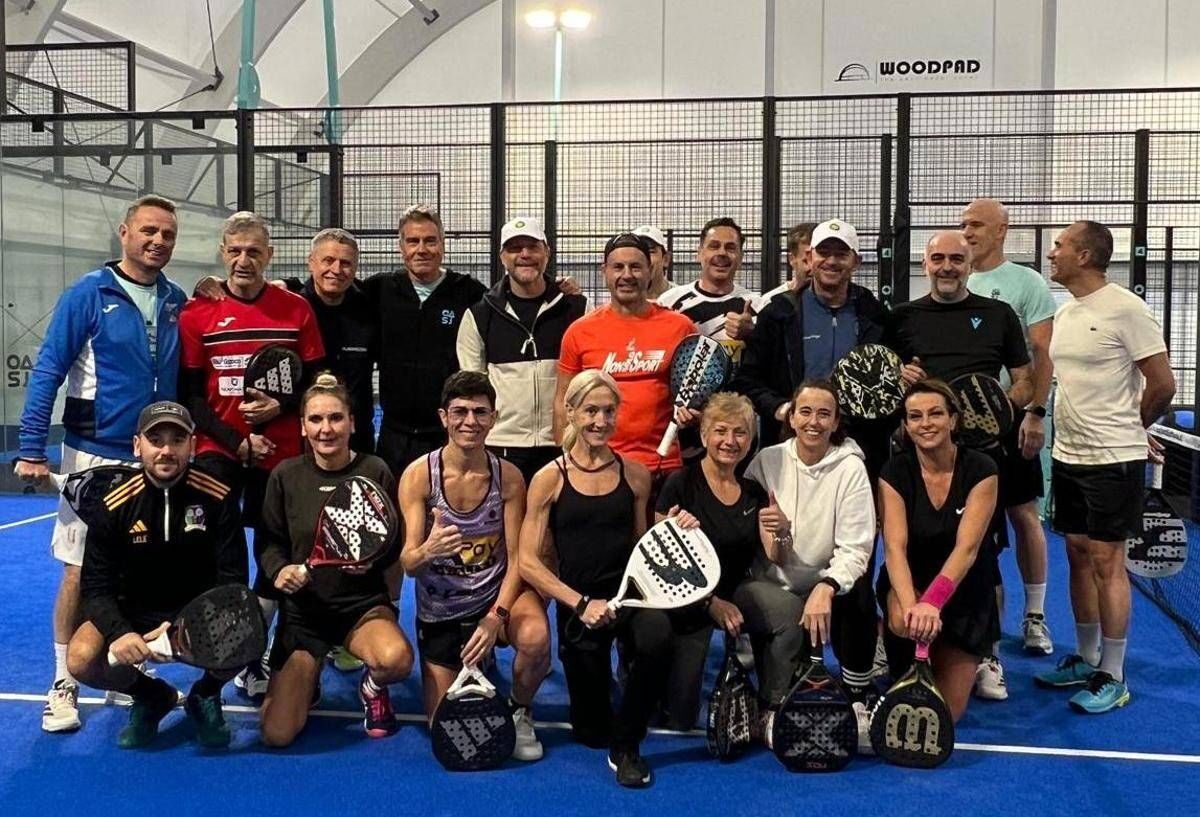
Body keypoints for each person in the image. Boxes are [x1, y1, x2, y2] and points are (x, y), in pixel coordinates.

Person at [15, 194, 187, 734]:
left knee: (141, 565)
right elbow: (49, 368)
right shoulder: (88, 293)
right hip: (93, 452)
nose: (158, 241)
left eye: (167, 234)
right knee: (77, 568)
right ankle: (62, 682)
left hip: (153, 456)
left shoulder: (177, 299)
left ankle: (123, 665)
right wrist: (31, 447)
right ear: (124, 233)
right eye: (148, 231)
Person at [178, 210, 326, 698]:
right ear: (223, 253)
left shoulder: (295, 309)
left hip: (281, 454)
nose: (244, 260)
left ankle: (253, 650)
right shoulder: (196, 314)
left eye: (254, 252)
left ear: (269, 255)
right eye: (236, 251)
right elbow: (192, 396)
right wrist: (236, 440)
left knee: (273, 551)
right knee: (220, 554)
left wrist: (281, 405)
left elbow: (315, 380)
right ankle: (223, 648)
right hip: (217, 451)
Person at [886, 229, 1034, 701]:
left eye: (956, 259)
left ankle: (988, 652)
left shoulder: (998, 314)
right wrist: (899, 376)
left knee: (985, 557)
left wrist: (998, 410)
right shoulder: (902, 318)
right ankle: (897, 634)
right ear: (924, 265)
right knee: (909, 548)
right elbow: (885, 382)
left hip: (979, 459)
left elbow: (1025, 381)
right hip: (916, 456)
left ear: (970, 265)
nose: (947, 267)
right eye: (938, 259)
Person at [1036, 221, 1175, 713]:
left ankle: (1113, 675)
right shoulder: (1067, 310)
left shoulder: (1127, 309)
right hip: (1068, 455)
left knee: (1106, 561)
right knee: (1076, 553)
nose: (1052, 253)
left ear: (1085, 256)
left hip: (1113, 459)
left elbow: (1163, 384)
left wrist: (1132, 429)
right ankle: (1087, 656)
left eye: (1060, 245)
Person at [67, 401, 247, 748]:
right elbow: (95, 586)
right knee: (80, 659)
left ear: (192, 445)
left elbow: (233, 580)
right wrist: (120, 632)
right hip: (132, 611)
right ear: (138, 446)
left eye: (177, 440)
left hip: (198, 612)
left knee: (248, 631)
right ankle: (151, 696)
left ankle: (205, 694)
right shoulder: (112, 504)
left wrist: (185, 627)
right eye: (156, 440)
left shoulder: (218, 497)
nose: (166, 450)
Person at [519, 369, 666, 787]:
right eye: (590, 411)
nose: (600, 421)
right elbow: (528, 561)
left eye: (608, 411)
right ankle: (609, 711)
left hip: (628, 599)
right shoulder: (550, 478)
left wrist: (673, 525)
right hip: (579, 606)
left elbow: (641, 544)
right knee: (591, 732)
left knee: (658, 636)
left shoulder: (635, 475)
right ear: (570, 413)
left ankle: (627, 745)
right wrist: (581, 604)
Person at [398, 370, 550, 760]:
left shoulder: (509, 477)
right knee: (443, 729)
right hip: (442, 608)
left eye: (480, 412)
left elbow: (517, 559)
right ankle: (474, 657)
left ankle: (520, 709)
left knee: (535, 638)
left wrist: (496, 617)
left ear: (494, 418)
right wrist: (429, 549)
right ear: (443, 417)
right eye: (460, 412)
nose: (470, 421)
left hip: (496, 597)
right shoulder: (419, 477)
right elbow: (408, 563)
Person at [257, 374, 415, 746]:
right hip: (303, 617)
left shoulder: (375, 470)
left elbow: (393, 541)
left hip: (361, 608)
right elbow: (268, 543)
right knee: (277, 734)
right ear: (302, 426)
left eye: (335, 418)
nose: (326, 429)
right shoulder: (285, 476)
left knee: (396, 660)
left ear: (352, 423)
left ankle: (372, 687)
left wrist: (373, 560)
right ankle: (306, 680)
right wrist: (279, 570)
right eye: (315, 419)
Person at [741, 381, 877, 747]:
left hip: (824, 586)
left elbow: (856, 548)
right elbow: (747, 529)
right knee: (788, 686)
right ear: (791, 417)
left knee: (858, 589)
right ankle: (776, 687)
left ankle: (857, 696)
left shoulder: (851, 468)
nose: (813, 422)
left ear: (836, 422)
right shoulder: (766, 462)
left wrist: (826, 586)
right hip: (775, 586)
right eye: (805, 412)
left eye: (823, 414)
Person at [962, 198, 1058, 659]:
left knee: (1024, 515)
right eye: (964, 225)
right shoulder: (958, 279)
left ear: (1002, 230)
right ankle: (979, 623)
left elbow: (1044, 353)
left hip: (1015, 420)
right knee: (973, 523)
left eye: (977, 225)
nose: (968, 232)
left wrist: (1036, 411)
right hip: (964, 429)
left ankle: (1035, 615)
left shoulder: (1027, 283)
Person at [876, 379, 1000, 722]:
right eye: (915, 416)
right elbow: (894, 548)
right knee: (902, 621)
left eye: (935, 414)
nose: (925, 423)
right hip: (911, 583)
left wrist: (933, 602)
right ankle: (896, 641)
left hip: (965, 590)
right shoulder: (894, 471)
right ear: (906, 425)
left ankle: (972, 658)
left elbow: (967, 549)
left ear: (953, 420)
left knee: (945, 714)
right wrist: (914, 607)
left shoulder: (982, 469)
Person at [734, 219, 891, 466]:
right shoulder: (778, 314)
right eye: (824, 252)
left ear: (856, 261)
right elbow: (748, 379)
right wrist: (781, 409)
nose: (831, 261)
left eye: (841, 254)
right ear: (809, 257)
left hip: (859, 450)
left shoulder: (878, 317)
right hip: (789, 450)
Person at [651, 392, 766, 731]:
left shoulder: (754, 492)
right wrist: (710, 602)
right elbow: (662, 562)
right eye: (720, 431)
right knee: (681, 720)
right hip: (685, 600)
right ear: (703, 436)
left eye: (740, 432)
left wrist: (783, 533)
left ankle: (772, 699)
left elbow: (772, 555)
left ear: (750, 440)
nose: (730, 441)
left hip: (735, 593)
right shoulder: (679, 484)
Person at [556, 232, 697, 501]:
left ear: (650, 271)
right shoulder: (579, 332)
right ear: (604, 272)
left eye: (635, 267)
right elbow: (562, 402)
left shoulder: (680, 327)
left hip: (664, 468)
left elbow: (698, 397)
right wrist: (567, 460)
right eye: (618, 267)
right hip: (598, 468)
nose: (627, 275)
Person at [457, 217, 587, 486]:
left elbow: (591, 379)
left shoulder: (577, 309)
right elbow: (473, 388)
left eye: (532, 247)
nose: (525, 254)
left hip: (564, 445)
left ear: (547, 252)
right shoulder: (478, 316)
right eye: (515, 248)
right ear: (502, 256)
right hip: (501, 445)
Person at [362, 204, 488, 476]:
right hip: (393, 435)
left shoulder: (470, 293)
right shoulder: (379, 290)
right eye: (413, 241)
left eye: (430, 241)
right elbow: (332, 290)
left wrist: (556, 288)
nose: (422, 249)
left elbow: (511, 299)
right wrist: (288, 285)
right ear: (401, 247)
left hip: (449, 434)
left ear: (443, 244)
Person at [657, 217, 758, 370]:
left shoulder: (756, 305)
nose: (722, 253)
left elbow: (773, 361)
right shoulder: (669, 301)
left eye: (730, 248)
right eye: (714, 246)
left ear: (741, 258)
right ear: (699, 253)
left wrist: (752, 334)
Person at [755, 221, 817, 309]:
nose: (812, 267)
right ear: (791, 259)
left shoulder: (835, 301)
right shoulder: (769, 302)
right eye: (805, 261)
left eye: (816, 261)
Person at [633, 224, 673, 299]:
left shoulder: (681, 298)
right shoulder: (619, 300)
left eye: (650, 251)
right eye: (637, 251)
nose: (643, 258)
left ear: (666, 259)